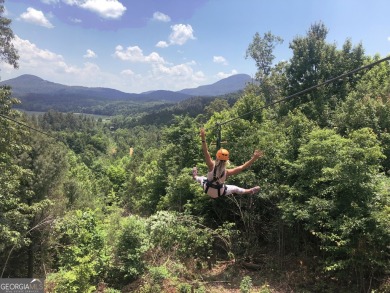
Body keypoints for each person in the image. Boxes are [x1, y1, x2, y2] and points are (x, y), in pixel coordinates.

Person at [192, 128, 263, 198]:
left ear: (217, 157)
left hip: (207, 189)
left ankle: (195, 176)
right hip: (219, 193)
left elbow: (206, 152)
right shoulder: (227, 172)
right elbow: (242, 167)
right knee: (235, 189)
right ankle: (250, 191)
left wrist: (203, 138)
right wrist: (254, 158)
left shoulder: (211, 165)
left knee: (201, 178)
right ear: (226, 160)